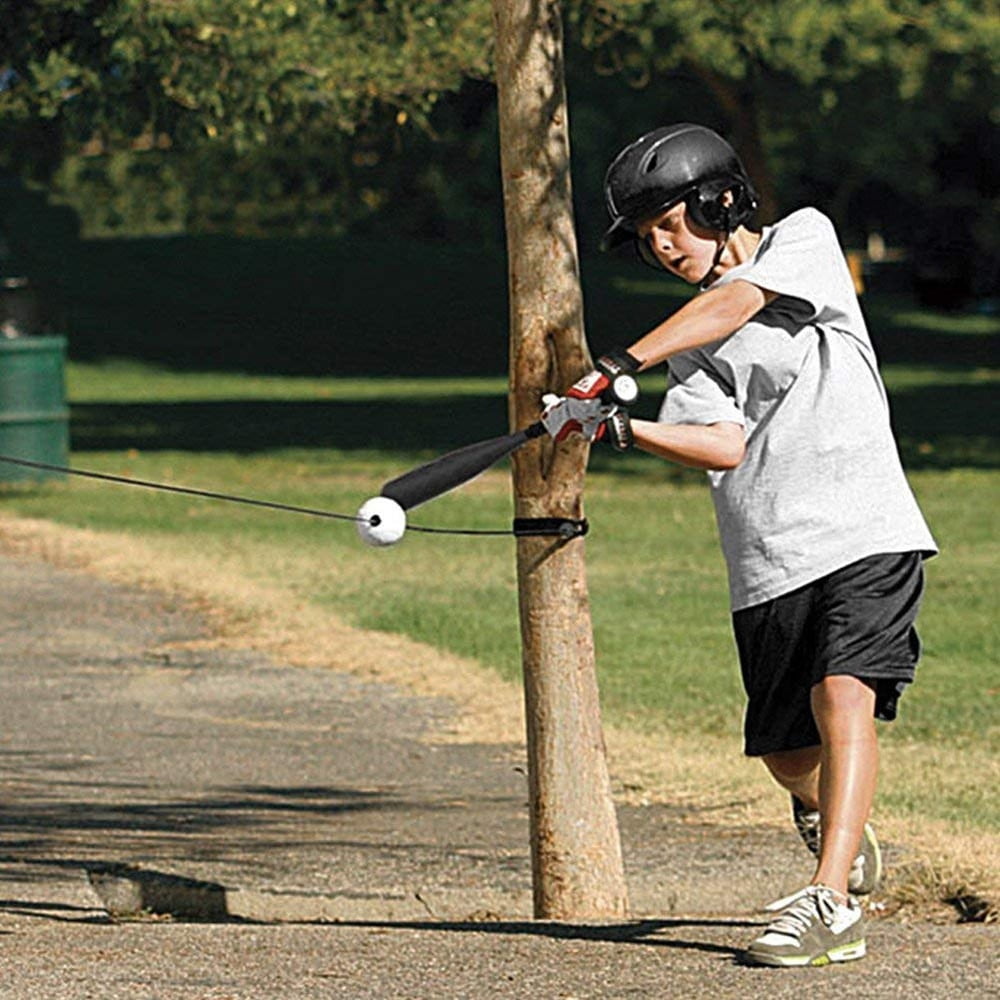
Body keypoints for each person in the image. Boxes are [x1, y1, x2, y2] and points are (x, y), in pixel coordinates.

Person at [541, 123, 937, 967]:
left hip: (866, 529)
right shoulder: (694, 354)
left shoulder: (805, 242)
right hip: (769, 560)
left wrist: (621, 359)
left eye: (672, 222)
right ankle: (832, 815)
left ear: (722, 200)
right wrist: (620, 424)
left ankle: (829, 902)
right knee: (791, 753)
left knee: (843, 696)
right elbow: (724, 444)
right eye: (648, 237)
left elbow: (740, 301)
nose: (663, 245)